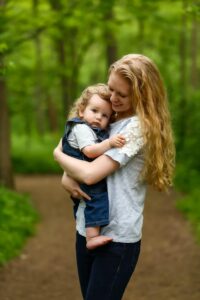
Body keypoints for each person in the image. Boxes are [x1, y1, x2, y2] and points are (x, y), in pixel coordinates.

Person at [54, 54, 175, 300]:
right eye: (111, 90)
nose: (113, 98)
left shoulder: (138, 127)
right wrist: (66, 176)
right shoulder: (107, 116)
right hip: (85, 227)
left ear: (142, 96)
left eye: (122, 94)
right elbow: (76, 148)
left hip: (116, 237)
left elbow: (88, 173)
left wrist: (56, 156)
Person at [61, 84, 126, 250]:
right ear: (81, 111)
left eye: (105, 115)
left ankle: (87, 231)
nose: (98, 117)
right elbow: (90, 152)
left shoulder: (89, 128)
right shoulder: (82, 129)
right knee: (97, 199)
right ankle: (92, 237)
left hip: (79, 172)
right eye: (94, 111)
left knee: (86, 203)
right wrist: (109, 143)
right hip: (84, 172)